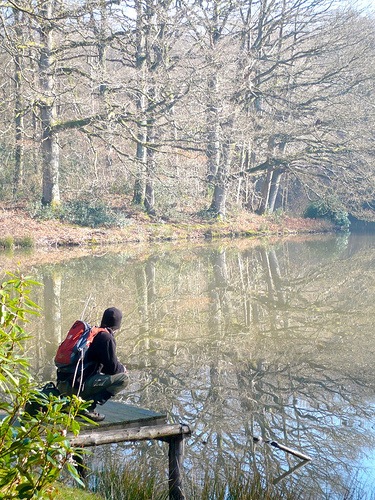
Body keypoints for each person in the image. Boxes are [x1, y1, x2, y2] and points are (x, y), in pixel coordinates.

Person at [56, 307, 129, 422]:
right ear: (117, 325)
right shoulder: (106, 338)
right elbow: (112, 369)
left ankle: (71, 403)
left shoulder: (91, 334)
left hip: (63, 384)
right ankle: (87, 407)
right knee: (123, 379)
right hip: (77, 387)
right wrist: (123, 368)